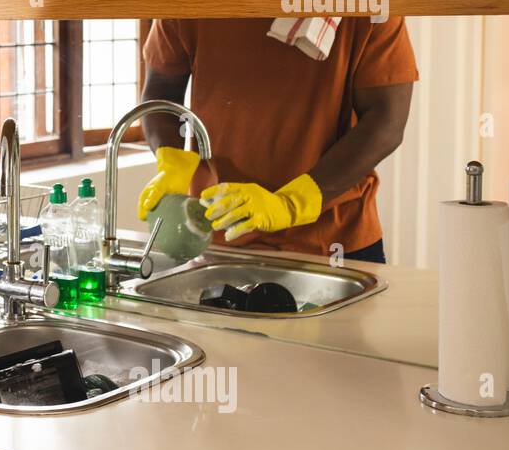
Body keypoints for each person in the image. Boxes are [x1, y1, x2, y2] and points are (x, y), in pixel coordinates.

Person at [137, 14, 418, 263]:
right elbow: (161, 90)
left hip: (333, 240)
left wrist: (294, 202)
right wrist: (171, 160)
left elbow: (386, 120)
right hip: (219, 234)